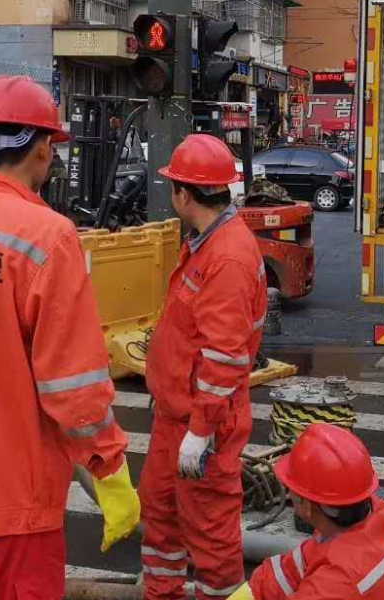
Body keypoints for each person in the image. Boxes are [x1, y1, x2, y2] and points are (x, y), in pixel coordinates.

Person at [0, 75, 140, 599]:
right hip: (8, 505)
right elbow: (71, 382)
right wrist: (109, 465)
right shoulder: (47, 236)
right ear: (39, 149)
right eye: (52, 148)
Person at [141, 134, 268, 600]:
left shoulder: (227, 256)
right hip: (176, 417)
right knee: (161, 518)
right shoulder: (206, 243)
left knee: (210, 536)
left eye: (173, 186)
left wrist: (200, 431)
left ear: (184, 194)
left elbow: (225, 356)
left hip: (203, 424)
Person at [229, 424, 384, 600]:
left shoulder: (336, 581)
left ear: (308, 506)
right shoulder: (372, 515)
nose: (288, 493)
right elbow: (291, 569)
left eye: (293, 489)